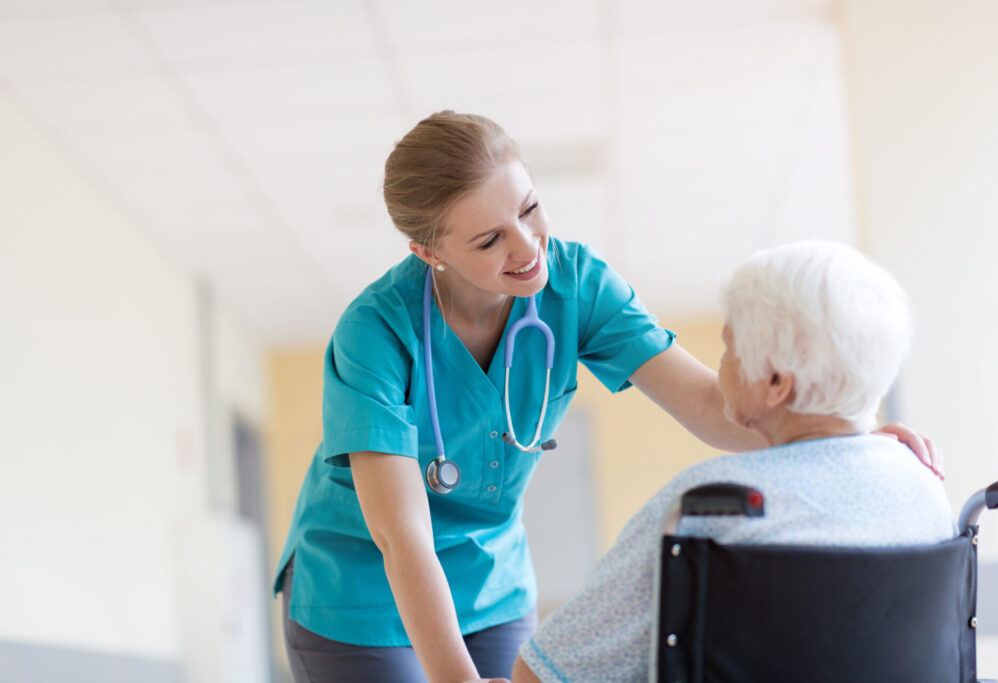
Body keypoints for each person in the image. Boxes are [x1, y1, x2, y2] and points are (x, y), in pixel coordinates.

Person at [273, 112, 942, 683]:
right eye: (488, 239)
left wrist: (843, 438)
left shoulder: (577, 285)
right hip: (361, 585)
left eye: (529, 208)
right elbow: (402, 532)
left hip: (489, 579)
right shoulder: (375, 332)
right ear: (428, 250)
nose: (529, 246)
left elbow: (715, 406)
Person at [511, 241, 955, 683]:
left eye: (728, 348)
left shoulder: (708, 508)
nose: (720, 365)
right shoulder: (923, 488)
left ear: (776, 383)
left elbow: (542, 673)